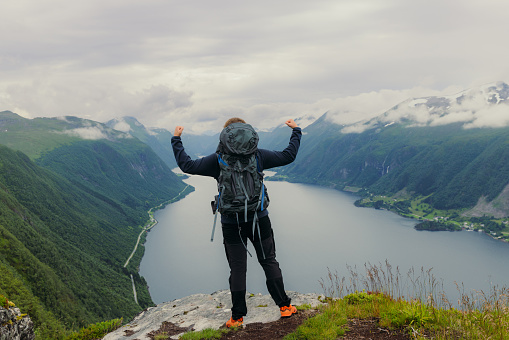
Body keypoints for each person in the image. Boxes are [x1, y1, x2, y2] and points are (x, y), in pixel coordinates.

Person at [171, 117, 302, 328]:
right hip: (259, 219)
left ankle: (237, 317)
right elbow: (289, 155)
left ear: (225, 136)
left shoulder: (218, 159)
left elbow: (187, 165)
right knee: (269, 261)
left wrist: (176, 139)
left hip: (231, 222)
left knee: (238, 269)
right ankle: (285, 307)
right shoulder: (259, 156)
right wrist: (296, 131)